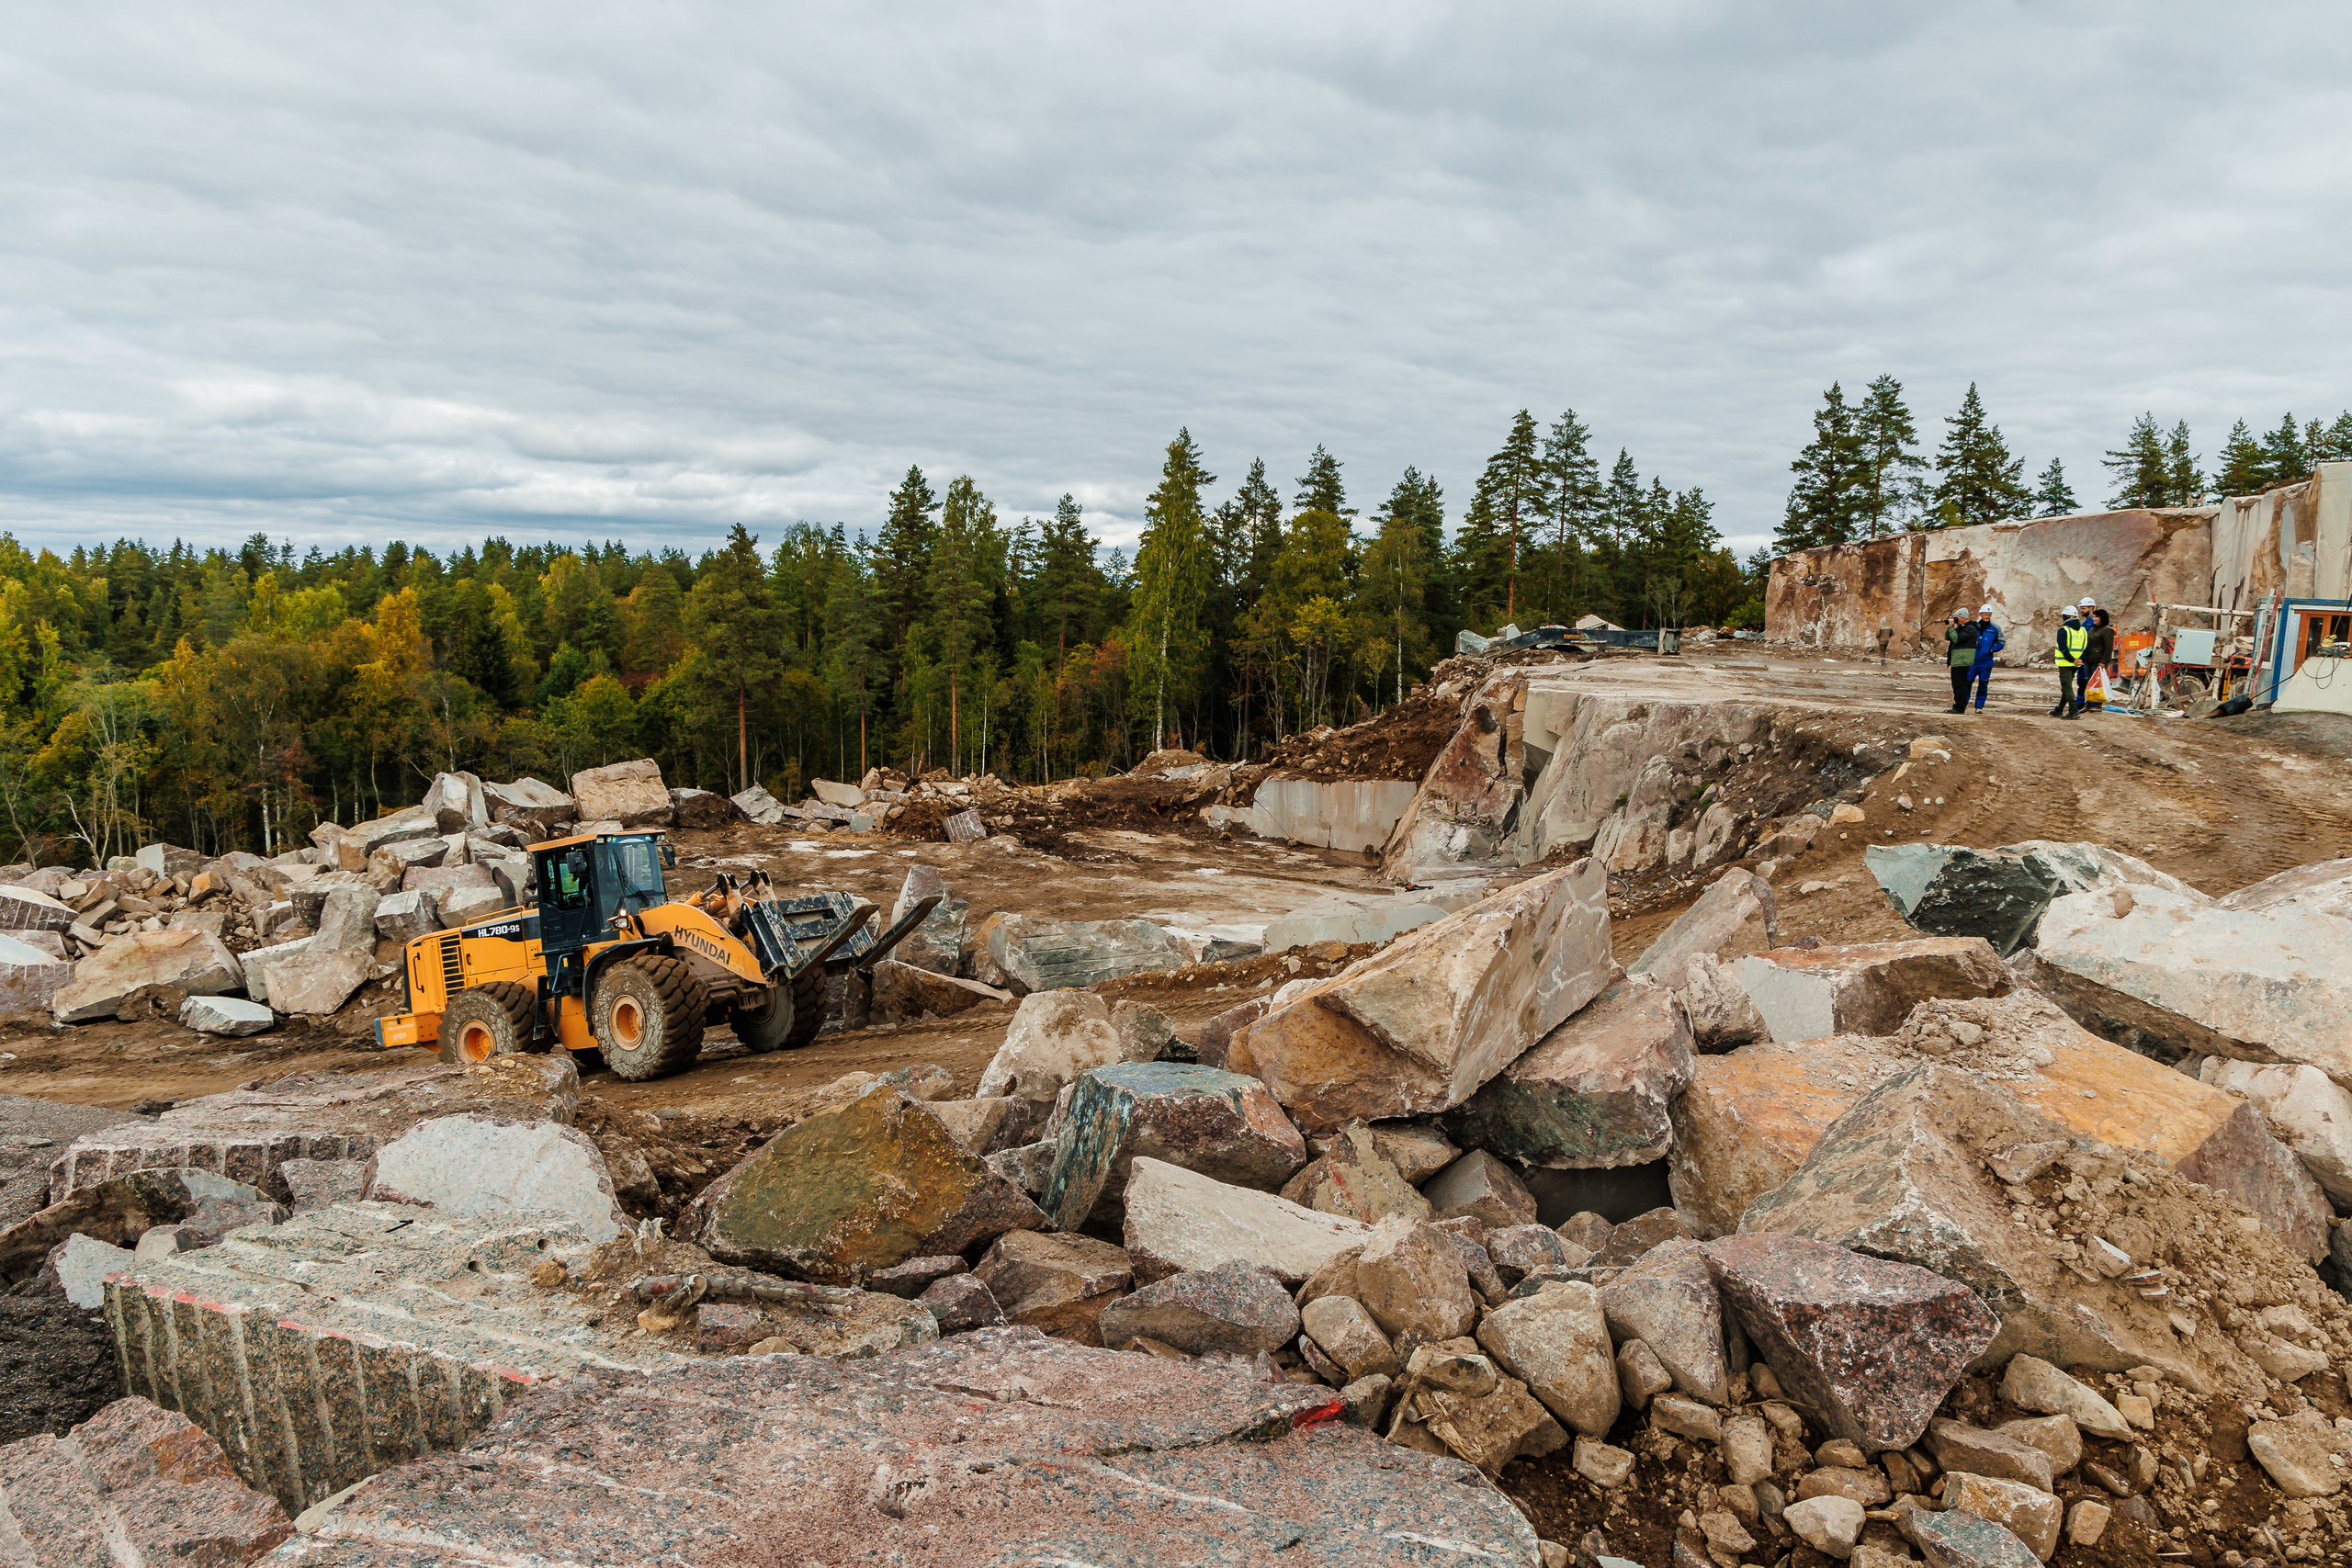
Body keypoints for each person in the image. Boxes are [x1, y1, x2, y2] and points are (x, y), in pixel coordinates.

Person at [2052, 604, 2090, 717]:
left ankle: (2073, 710)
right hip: (2076, 663)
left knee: (2066, 686)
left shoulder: (2063, 630)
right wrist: (2080, 660)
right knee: (2067, 685)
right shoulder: (2083, 630)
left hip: (2065, 663)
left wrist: (2073, 660)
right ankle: (2059, 709)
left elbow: (2063, 648)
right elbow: (2088, 648)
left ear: (2065, 617)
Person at [1966, 604, 2004, 710]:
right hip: (1973, 659)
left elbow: (2001, 642)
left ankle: (1979, 706)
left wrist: (1991, 649)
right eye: (1985, 614)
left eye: (1989, 615)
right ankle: (1963, 703)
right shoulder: (1973, 628)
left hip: (1986, 660)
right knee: (1968, 682)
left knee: (1983, 683)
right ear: (1980, 614)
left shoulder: (1995, 629)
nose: (1987, 617)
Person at [2082, 606, 2116, 712]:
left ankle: (2098, 705)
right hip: (2089, 660)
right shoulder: (2092, 629)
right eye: (2094, 617)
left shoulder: (2107, 630)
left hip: (2099, 661)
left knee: (2098, 683)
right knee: (2089, 682)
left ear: (2102, 618)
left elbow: (2108, 647)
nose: (2094, 619)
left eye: (2096, 617)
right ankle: (2088, 704)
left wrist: (2103, 661)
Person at [1944, 614, 1980, 713]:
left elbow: (1956, 639)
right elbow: (1948, 637)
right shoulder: (1961, 628)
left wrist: (1952, 627)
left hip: (1963, 660)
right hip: (1957, 660)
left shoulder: (1971, 629)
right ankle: (1958, 706)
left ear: (1963, 617)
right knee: (1956, 684)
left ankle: (1960, 707)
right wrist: (1951, 627)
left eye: (1957, 617)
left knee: (1960, 684)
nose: (1955, 619)